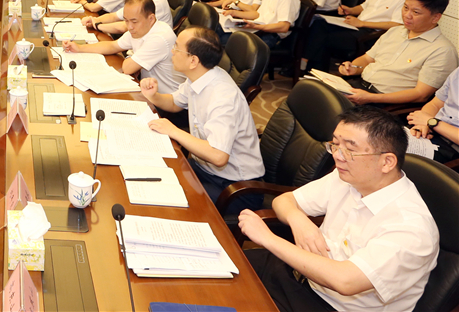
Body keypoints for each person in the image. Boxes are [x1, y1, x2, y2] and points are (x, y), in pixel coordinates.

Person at [239, 106, 438, 312]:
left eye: (350, 150)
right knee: (224, 270)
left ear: (387, 162)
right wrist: (299, 220)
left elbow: (345, 281)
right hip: (297, 273)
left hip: (331, 305)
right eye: (335, 145)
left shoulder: (411, 227)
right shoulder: (348, 176)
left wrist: (268, 239)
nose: (338, 156)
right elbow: (285, 201)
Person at [140, 26, 264, 208]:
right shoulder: (200, 76)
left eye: (176, 48)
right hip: (204, 168)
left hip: (235, 187)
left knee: (164, 199)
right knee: (152, 172)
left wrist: (174, 131)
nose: (172, 52)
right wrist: (154, 96)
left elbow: (218, 156)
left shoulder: (222, 96)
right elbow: (174, 102)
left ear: (193, 61)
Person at [338, 0, 458, 106]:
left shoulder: (442, 50)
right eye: (405, 8)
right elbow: (367, 59)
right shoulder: (395, 31)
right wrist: (353, 67)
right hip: (359, 87)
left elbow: (421, 94)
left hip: (383, 102)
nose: (407, 15)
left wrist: (371, 98)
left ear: (435, 17)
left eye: (416, 12)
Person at [304, 0, 409, 71]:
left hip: (370, 33)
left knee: (324, 37)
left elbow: (396, 24)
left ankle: (310, 67)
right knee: (318, 24)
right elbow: (365, 6)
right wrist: (350, 10)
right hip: (356, 25)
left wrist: (362, 23)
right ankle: (310, 67)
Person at [64, 0, 178, 92]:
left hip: (165, 99)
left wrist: (131, 57)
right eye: (126, 21)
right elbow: (113, 46)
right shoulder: (140, 28)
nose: (129, 26)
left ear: (151, 19)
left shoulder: (159, 37)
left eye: (134, 21)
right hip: (148, 90)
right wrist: (79, 48)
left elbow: (128, 68)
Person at [408, 66, 459, 163]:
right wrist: (423, 126)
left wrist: (432, 122)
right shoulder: (457, 73)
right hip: (432, 131)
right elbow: (435, 104)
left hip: (453, 148)